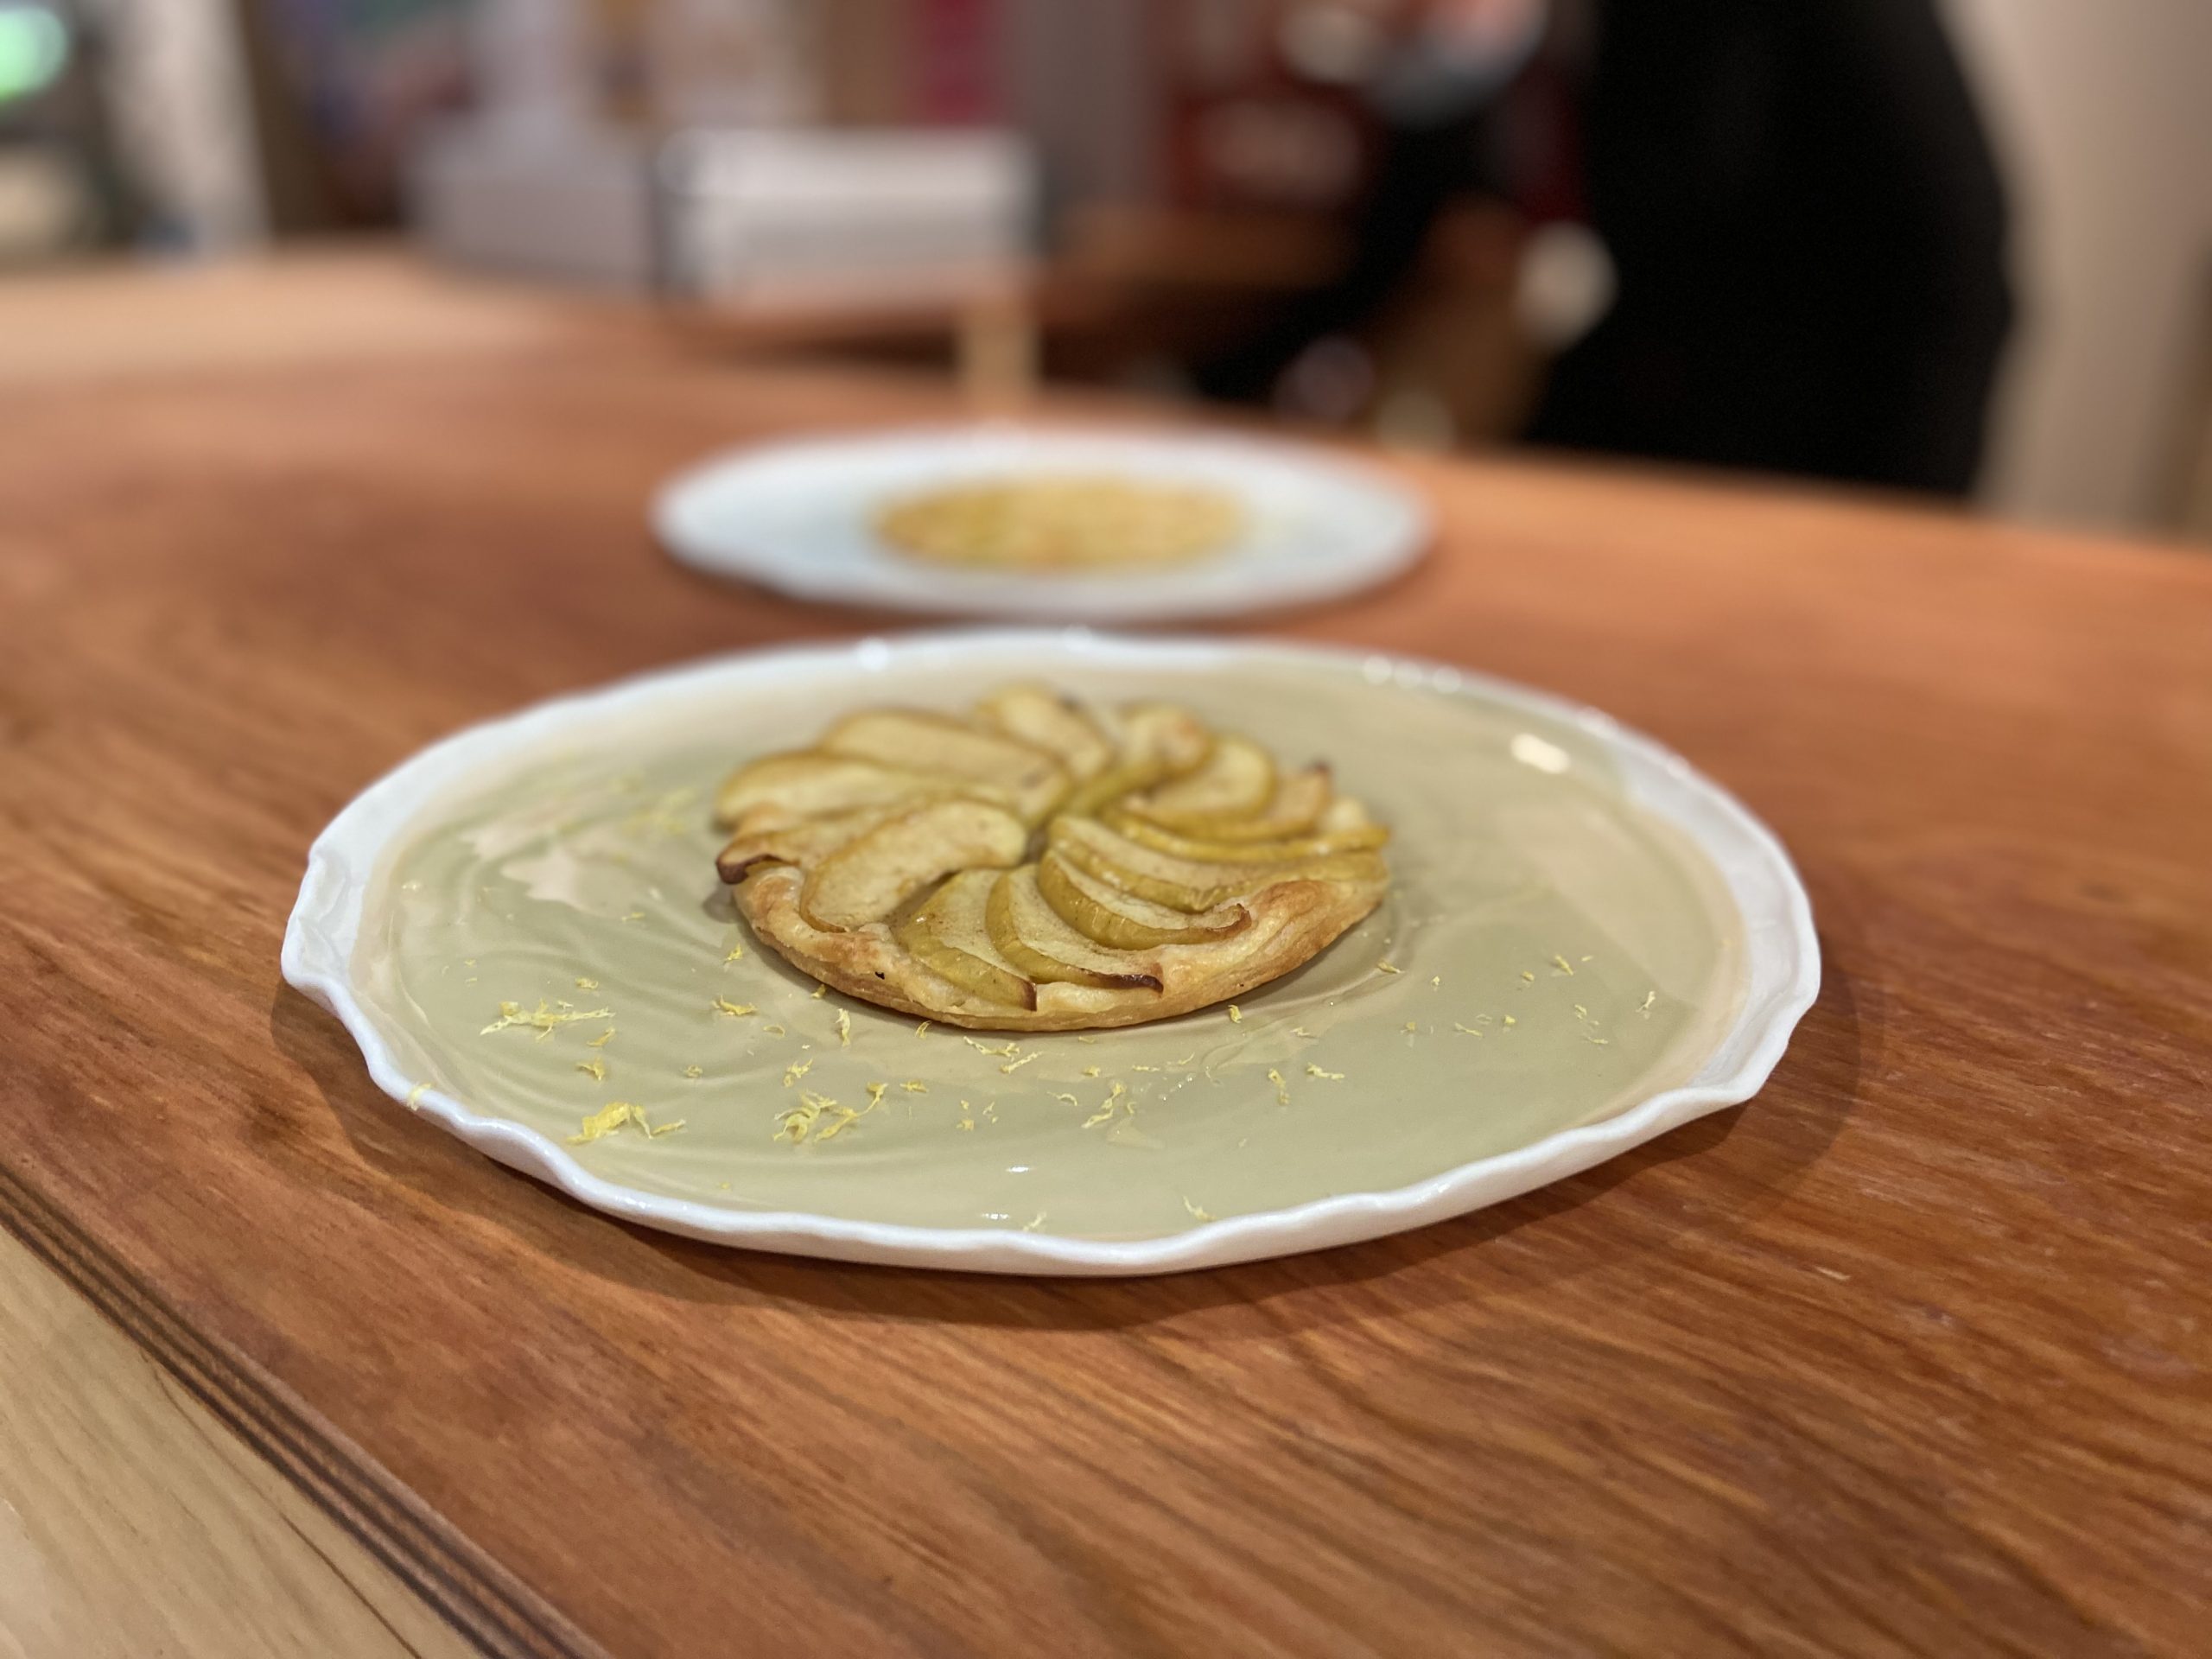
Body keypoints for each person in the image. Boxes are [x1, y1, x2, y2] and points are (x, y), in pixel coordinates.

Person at [1201, 0, 2015, 497]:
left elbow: (1958, 262)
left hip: (1813, 463)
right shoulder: (1535, 31)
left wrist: (1913, 520)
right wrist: (1220, 393)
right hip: (1658, 445)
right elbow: (1404, 230)